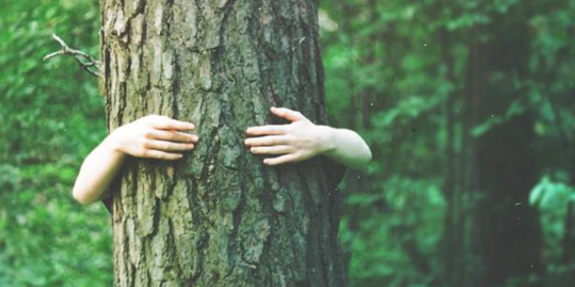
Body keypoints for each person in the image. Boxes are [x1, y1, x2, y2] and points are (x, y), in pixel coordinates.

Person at [72, 106, 371, 205]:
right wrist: (116, 142)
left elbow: (362, 154)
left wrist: (325, 138)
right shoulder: (130, 137)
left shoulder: (307, 132)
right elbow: (83, 193)